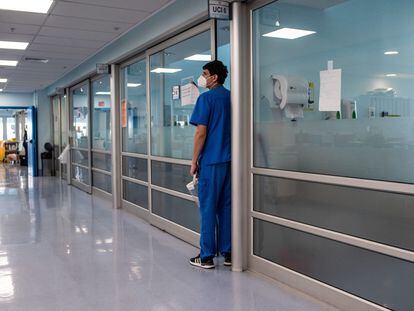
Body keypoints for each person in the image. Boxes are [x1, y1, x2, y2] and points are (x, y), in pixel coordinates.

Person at [189, 60, 231, 269]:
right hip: (231, 162)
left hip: (212, 162)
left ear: (214, 77)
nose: (203, 77)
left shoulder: (206, 99)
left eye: (205, 74)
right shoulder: (232, 97)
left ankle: (205, 256)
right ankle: (229, 252)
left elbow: (201, 133)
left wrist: (194, 160)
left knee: (207, 208)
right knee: (226, 207)